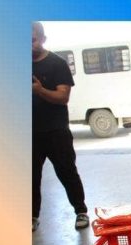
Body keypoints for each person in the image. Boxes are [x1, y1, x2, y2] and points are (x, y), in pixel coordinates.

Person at [32, 22, 88, 232]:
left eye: (32, 40)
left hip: (56, 131)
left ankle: (80, 211)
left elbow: (63, 97)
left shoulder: (57, 64)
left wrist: (39, 90)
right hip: (30, 133)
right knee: (30, 177)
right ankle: (32, 216)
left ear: (43, 39)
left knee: (67, 172)